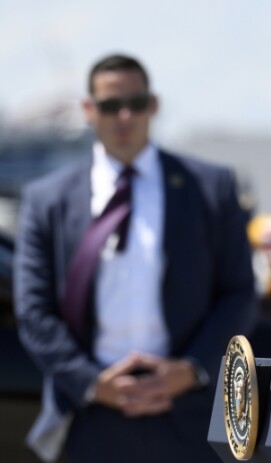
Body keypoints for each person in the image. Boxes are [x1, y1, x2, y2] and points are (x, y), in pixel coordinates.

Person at [14, 54, 257, 462]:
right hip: (90, 416)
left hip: (190, 414)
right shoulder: (47, 200)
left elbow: (238, 292)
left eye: (136, 103)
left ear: (154, 105)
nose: (124, 115)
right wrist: (92, 382)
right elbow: (33, 310)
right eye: (110, 105)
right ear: (89, 110)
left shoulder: (211, 188)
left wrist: (191, 369)